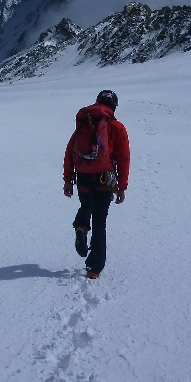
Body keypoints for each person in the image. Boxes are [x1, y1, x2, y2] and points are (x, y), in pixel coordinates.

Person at [63, 89, 130, 279]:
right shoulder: (117, 127)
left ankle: (81, 227)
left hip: (83, 176)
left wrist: (68, 180)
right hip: (105, 179)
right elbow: (123, 159)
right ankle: (94, 268)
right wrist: (122, 187)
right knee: (100, 220)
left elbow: (70, 152)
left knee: (86, 206)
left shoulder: (85, 123)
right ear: (114, 106)